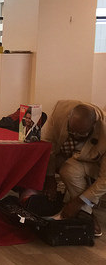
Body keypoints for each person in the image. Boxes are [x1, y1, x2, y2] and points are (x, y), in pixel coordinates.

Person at [42, 100, 106, 236]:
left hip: (97, 162)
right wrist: (50, 177)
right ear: (69, 118)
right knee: (67, 169)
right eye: (72, 131)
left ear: (94, 126)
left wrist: (77, 203)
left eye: (81, 134)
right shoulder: (60, 110)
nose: (75, 136)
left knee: (70, 171)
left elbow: (104, 179)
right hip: (77, 156)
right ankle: (86, 212)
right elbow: (49, 147)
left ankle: (85, 214)